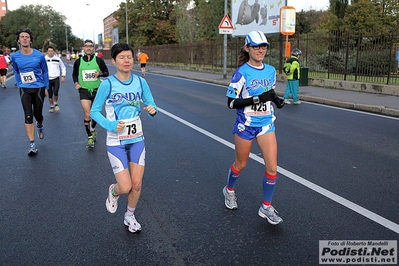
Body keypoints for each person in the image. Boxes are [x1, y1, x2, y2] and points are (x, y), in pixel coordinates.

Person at [90, 42, 158, 233]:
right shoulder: (108, 84)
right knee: (125, 186)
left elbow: (151, 103)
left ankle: (130, 215)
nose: (126, 60)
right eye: (122, 57)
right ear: (113, 61)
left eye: (129, 57)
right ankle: (114, 191)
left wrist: (153, 110)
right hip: (116, 141)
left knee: (136, 184)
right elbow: (94, 112)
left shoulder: (140, 82)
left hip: (136, 139)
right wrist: (111, 125)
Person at [223, 30, 285, 225]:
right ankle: (229, 190)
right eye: (256, 46)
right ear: (247, 48)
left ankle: (266, 206)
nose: (260, 50)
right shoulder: (241, 73)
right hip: (246, 125)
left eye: (263, 46)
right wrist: (258, 99)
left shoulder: (271, 70)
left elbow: (269, 91)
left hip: (266, 123)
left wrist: (275, 99)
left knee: (273, 167)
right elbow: (231, 103)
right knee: (241, 164)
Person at [11, 28, 49, 156]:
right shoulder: (14, 56)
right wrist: (19, 84)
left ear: (30, 40)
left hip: (38, 87)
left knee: (37, 114)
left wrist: (46, 87)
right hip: (24, 88)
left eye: (27, 37)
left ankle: (40, 123)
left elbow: (45, 71)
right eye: (22, 37)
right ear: (18, 40)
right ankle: (32, 144)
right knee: (28, 115)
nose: (25, 38)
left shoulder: (38, 55)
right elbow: (16, 71)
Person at [72, 39, 109, 148]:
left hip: (97, 91)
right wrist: (76, 83)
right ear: (83, 48)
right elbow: (74, 74)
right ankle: (89, 137)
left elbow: (106, 72)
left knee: (95, 114)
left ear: (93, 48)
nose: (88, 48)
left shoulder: (99, 60)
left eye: (91, 46)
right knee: (87, 114)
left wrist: (100, 74)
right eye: (86, 46)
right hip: (84, 91)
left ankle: (92, 128)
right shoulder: (78, 62)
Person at [45, 46, 66, 113]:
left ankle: (55, 103)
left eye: (52, 51)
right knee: (50, 94)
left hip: (56, 78)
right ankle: (51, 106)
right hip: (48, 79)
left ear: (54, 52)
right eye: (49, 51)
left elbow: (63, 67)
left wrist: (63, 75)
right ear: (47, 52)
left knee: (56, 92)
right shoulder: (44, 59)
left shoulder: (57, 59)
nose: (51, 52)